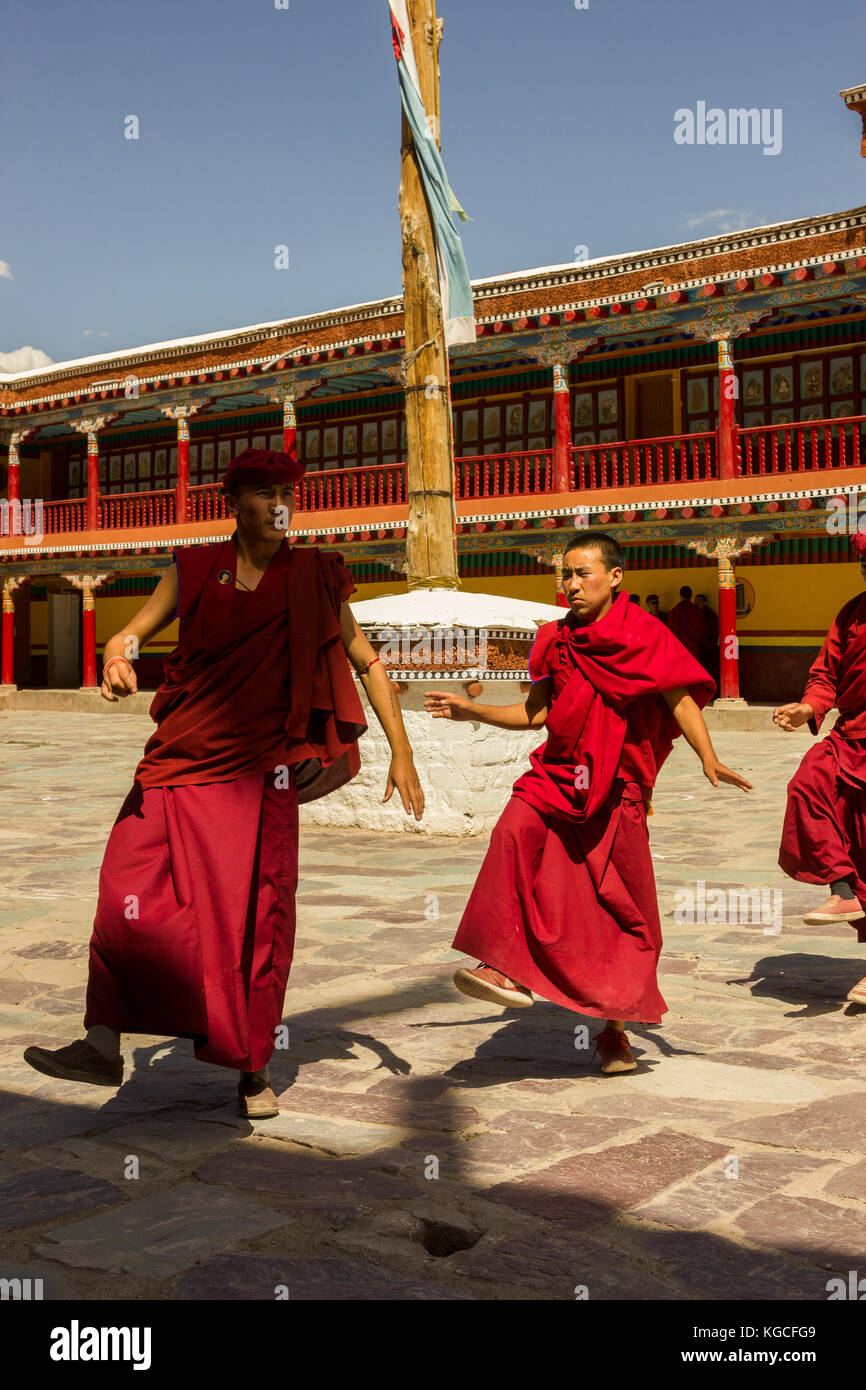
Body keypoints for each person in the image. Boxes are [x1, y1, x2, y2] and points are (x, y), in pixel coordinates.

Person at [24, 449, 425, 1117]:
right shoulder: (191, 570)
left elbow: (368, 662)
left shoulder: (315, 576)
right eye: (262, 493)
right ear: (231, 503)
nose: (276, 505)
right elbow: (127, 635)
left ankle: (252, 1066)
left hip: (258, 776)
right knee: (125, 888)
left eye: (285, 494)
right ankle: (102, 1041)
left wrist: (401, 753)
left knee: (252, 917)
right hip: (178, 762)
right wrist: (116, 660)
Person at [425, 531, 752, 1074]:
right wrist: (472, 711)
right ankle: (502, 965)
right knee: (512, 833)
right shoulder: (554, 639)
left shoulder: (642, 633)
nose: (572, 584)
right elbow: (538, 714)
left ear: (615, 576)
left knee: (617, 905)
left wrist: (707, 756)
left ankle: (614, 1031)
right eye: (566, 575)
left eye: (583, 573)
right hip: (556, 777)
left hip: (617, 786)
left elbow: (678, 696)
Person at [775, 532, 866, 1004]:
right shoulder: (852, 613)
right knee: (807, 784)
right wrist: (808, 708)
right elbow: (827, 673)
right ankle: (843, 888)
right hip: (852, 735)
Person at [666, 584, 706, 658]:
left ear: (680, 595)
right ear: (691, 595)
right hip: (694, 647)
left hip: (679, 647)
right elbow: (702, 628)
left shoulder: (675, 611)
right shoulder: (696, 610)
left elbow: (670, 629)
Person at [695, 592, 720, 682]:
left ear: (705, 602)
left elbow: (714, 631)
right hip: (697, 648)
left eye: (699, 602)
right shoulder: (694, 615)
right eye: (695, 602)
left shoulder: (710, 615)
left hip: (708, 649)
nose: (696, 604)